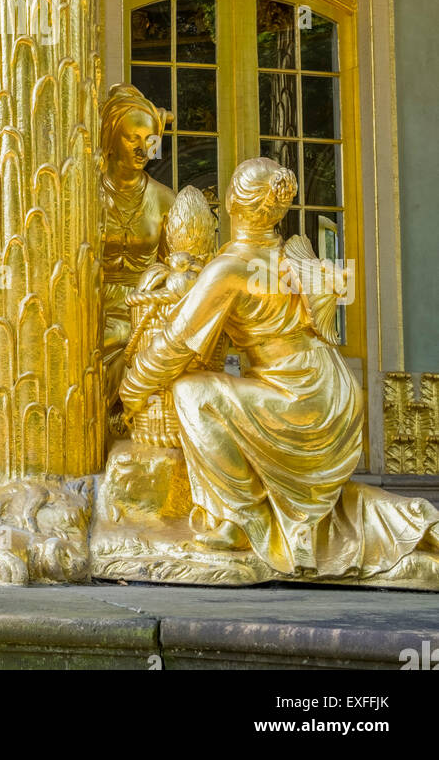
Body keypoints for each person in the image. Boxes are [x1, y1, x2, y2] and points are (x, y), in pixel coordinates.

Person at [121, 156, 439, 580]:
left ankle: (240, 520)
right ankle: (409, 520)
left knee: (191, 393)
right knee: (314, 496)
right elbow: (334, 292)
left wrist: (130, 388)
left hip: (299, 396)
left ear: (230, 204)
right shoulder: (291, 256)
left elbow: (173, 346)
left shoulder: (230, 269)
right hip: (333, 391)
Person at [100, 84, 175, 410]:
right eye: (133, 139)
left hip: (145, 310)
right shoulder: (85, 195)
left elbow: (178, 270)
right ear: (111, 140)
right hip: (94, 309)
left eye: (150, 141)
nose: (143, 150)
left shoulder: (164, 199)